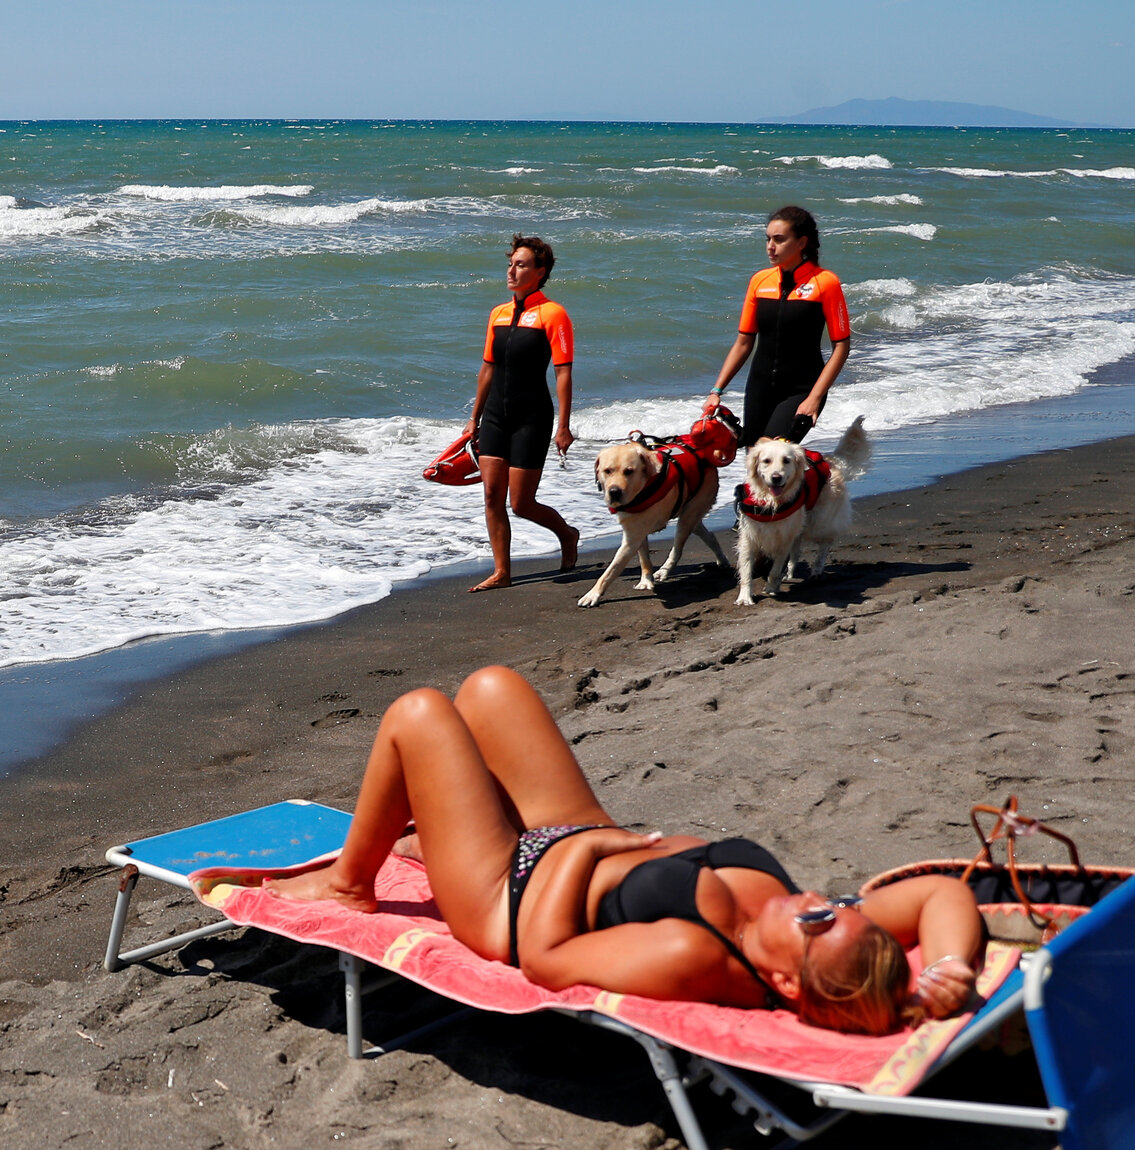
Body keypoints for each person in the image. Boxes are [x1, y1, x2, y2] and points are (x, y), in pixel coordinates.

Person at [267, 668, 984, 1032]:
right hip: (574, 833)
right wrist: (950, 967)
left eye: (821, 922)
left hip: (508, 898)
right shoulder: (818, 936)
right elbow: (941, 891)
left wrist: (589, 850)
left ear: (791, 985)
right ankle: (432, 836)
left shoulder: (695, 956)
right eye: (840, 906)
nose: (825, 903)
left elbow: (546, 960)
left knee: (419, 713)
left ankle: (350, 884)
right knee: (491, 689)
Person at [461, 234, 581, 593]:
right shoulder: (497, 314)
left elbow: (563, 373)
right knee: (490, 495)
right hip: (496, 414)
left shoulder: (553, 314)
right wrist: (474, 418)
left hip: (532, 416)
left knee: (521, 503)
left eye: (521, 264)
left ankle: (567, 533)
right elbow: (487, 369)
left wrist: (564, 426)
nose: (511, 271)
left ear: (540, 271)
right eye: (511, 263)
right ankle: (502, 571)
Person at [701, 206, 852, 445]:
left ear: (802, 243)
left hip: (802, 389)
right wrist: (716, 391)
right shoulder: (760, 281)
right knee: (756, 464)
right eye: (768, 239)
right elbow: (743, 342)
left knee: (771, 453)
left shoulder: (825, 283)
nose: (770, 246)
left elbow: (841, 347)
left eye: (779, 239)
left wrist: (814, 397)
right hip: (760, 388)